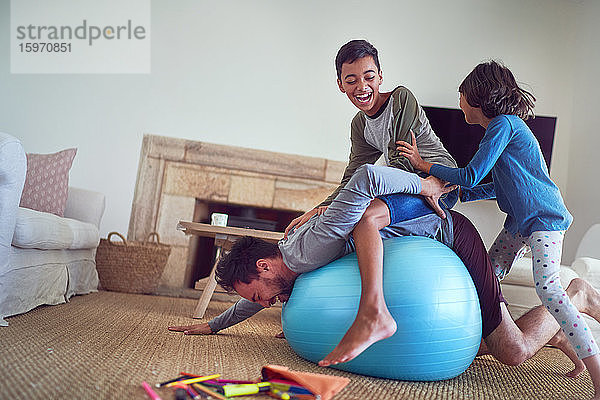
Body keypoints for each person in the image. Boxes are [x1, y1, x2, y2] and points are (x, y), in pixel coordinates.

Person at [169, 165, 600, 383]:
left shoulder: (305, 247)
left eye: (260, 293)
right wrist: (213, 324)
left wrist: (425, 185)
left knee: (511, 351)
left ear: (265, 265)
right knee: (476, 341)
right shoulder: (293, 259)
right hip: (421, 237)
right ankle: (559, 333)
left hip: (451, 236)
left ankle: (575, 295)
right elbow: (251, 297)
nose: (263, 305)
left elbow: (367, 176)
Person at [397, 60, 600, 399]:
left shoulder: (504, 125)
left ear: (477, 96)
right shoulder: (503, 130)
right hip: (519, 222)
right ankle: (559, 339)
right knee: (487, 275)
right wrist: (455, 190)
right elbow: (495, 185)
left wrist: (425, 165)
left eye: (462, 93)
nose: (459, 99)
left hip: (543, 219)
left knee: (550, 290)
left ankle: (597, 372)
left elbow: (473, 173)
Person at [284, 39, 459, 236]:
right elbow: (352, 175)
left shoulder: (401, 99)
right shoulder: (360, 125)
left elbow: (403, 163)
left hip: (440, 184)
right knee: (343, 217)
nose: (362, 87)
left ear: (380, 77)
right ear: (340, 85)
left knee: (363, 217)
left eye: (369, 77)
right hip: (412, 187)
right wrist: (319, 209)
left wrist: (354, 199)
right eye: (351, 81)